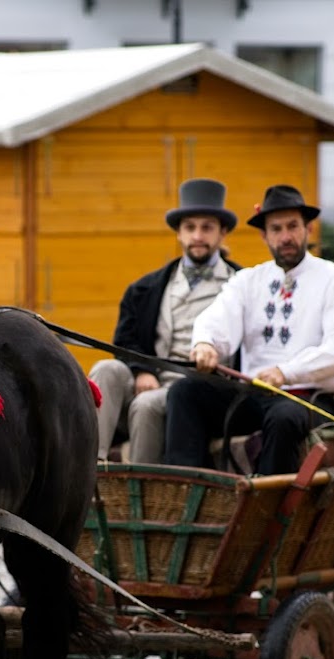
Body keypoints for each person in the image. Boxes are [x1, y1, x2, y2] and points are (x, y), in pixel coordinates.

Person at [162, 184, 334, 475]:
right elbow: (215, 319)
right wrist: (205, 343)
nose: (285, 236)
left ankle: (267, 499)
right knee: (185, 392)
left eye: (292, 226)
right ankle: (189, 488)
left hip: (313, 401)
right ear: (264, 235)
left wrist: (285, 372)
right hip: (255, 396)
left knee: (284, 416)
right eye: (276, 229)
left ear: (308, 229)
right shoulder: (248, 280)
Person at [89, 178, 241, 463]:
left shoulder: (241, 286)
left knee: (147, 404)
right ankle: (89, 467)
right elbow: (124, 341)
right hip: (149, 380)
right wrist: (141, 371)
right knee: (105, 369)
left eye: (207, 228)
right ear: (179, 234)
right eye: (190, 227)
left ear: (222, 233)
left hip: (199, 393)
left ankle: (140, 485)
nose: (197, 236)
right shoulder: (145, 288)